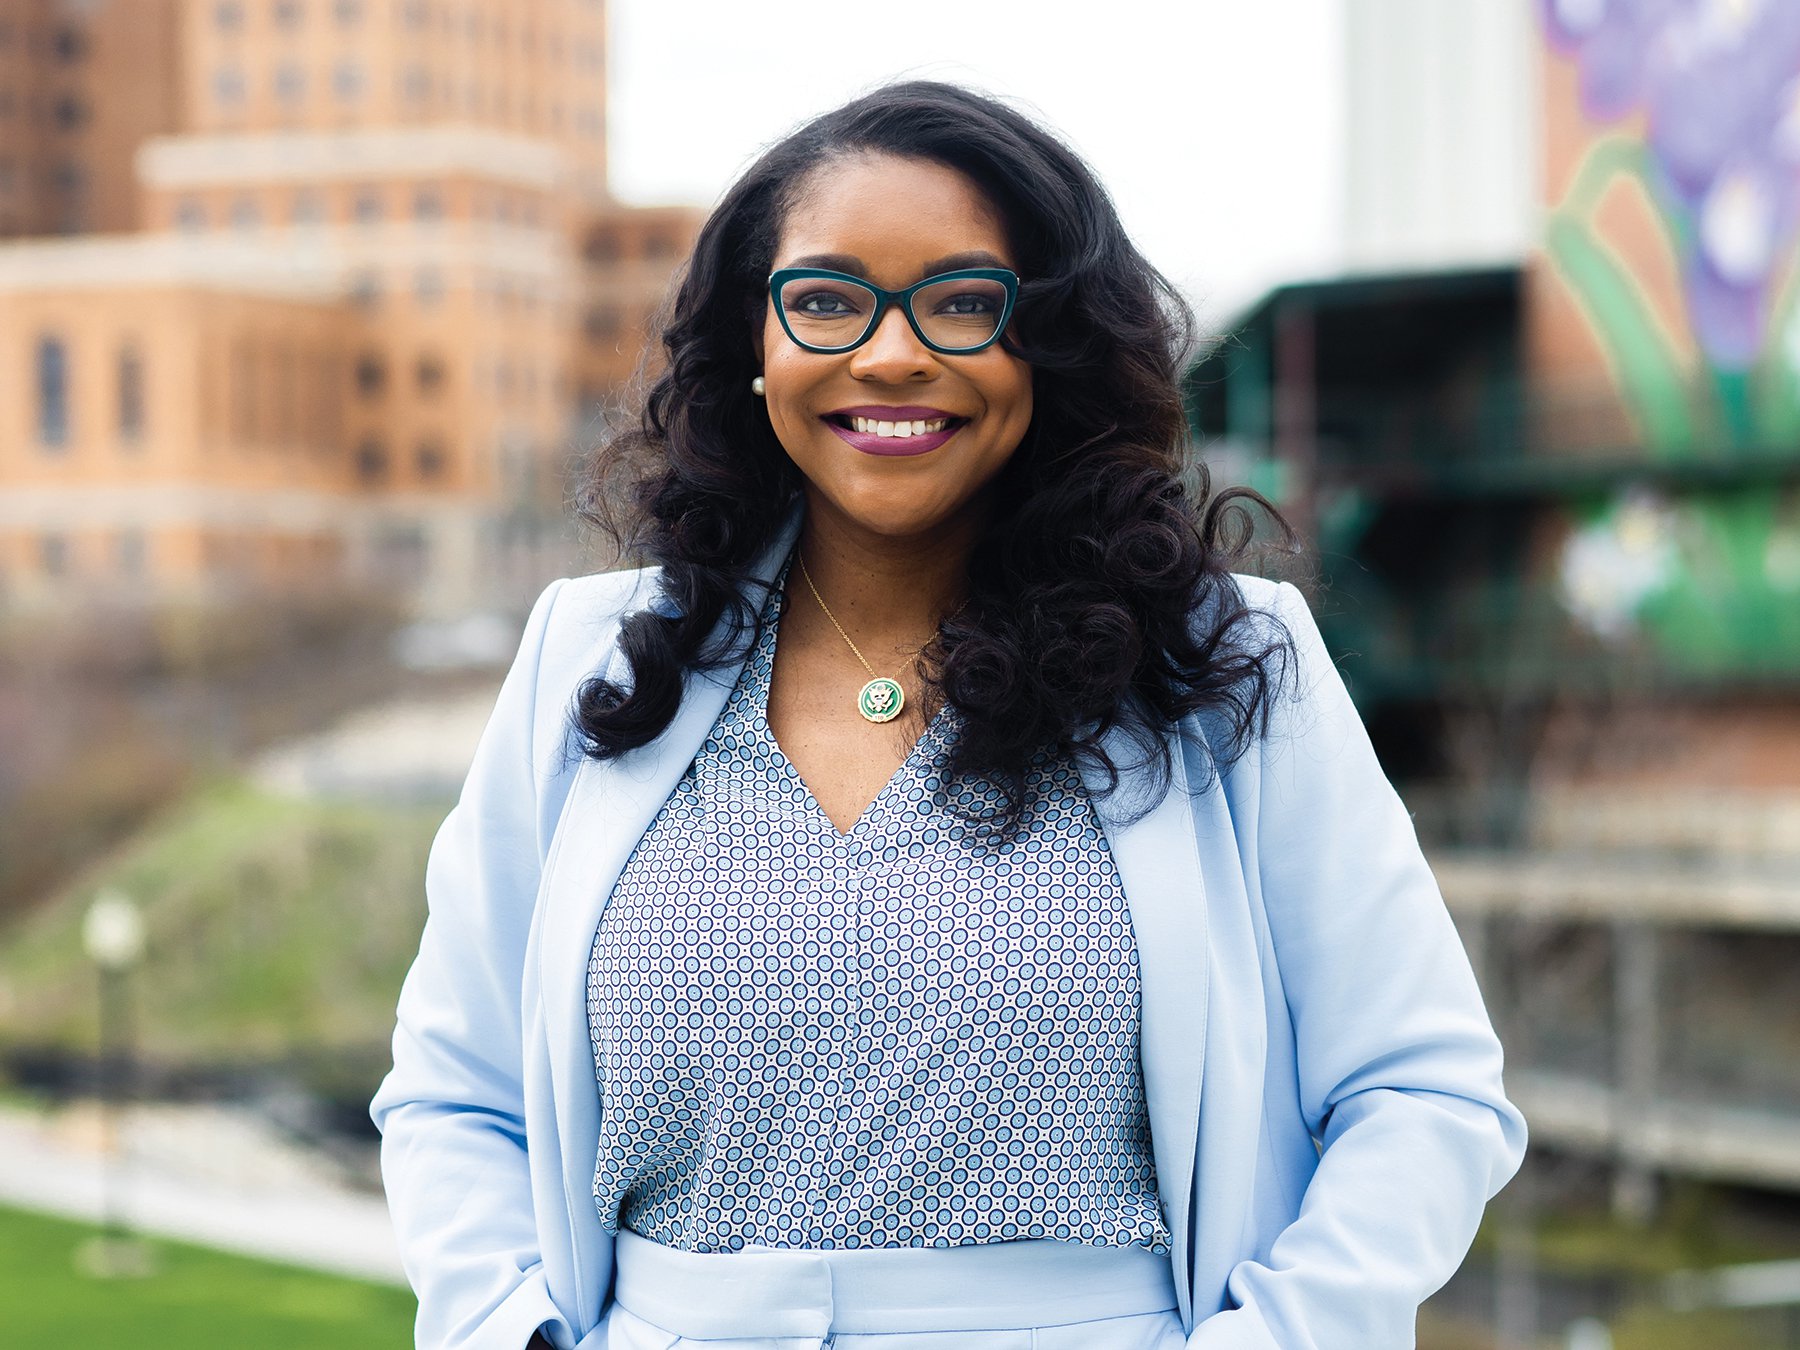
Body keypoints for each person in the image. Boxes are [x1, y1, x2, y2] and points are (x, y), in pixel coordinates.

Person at [370, 80, 1526, 1350]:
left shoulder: (1222, 664)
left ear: (1054, 345)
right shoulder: (589, 661)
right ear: (753, 347)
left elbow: (1424, 1093)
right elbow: (454, 1093)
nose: (890, 354)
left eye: (966, 303)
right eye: (824, 300)